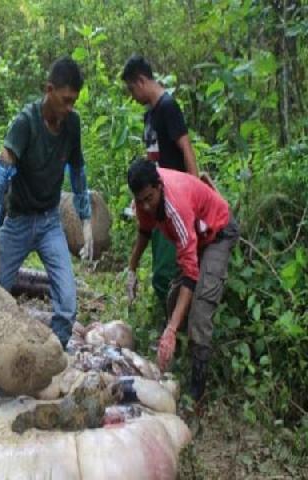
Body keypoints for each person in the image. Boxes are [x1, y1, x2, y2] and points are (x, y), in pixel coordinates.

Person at [0, 56, 94, 348]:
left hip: (49, 222)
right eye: (65, 100)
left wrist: (86, 219)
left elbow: (77, 169)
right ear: (49, 89)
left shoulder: (72, 124)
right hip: (17, 222)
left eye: (74, 102)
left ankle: (51, 361)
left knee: (67, 305)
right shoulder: (25, 123)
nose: (69, 108)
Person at [126, 159, 238, 401]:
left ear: (159, 187)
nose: (145, 206)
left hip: (217, 232)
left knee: (200, 309)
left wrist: (171, 329)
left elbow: (190, 274)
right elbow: (144, 231)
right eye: (140, 200)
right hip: (195, 234)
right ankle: (171, 366)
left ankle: (196, 393)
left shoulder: (175, 205)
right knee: (173, 299)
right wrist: (132, 269)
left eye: (149, 199)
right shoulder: (144, 200)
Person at [121, 54, 199, 311]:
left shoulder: (168, 107)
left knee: (166, 273)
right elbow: (152, 157)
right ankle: (167, 317)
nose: (132, 96)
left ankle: (176, 324)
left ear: (141, 81)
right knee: (160, 267)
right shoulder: (149, 116)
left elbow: (186, 148)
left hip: (172, 198)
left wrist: (194, 190)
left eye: (132, 89)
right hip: (153, 199)